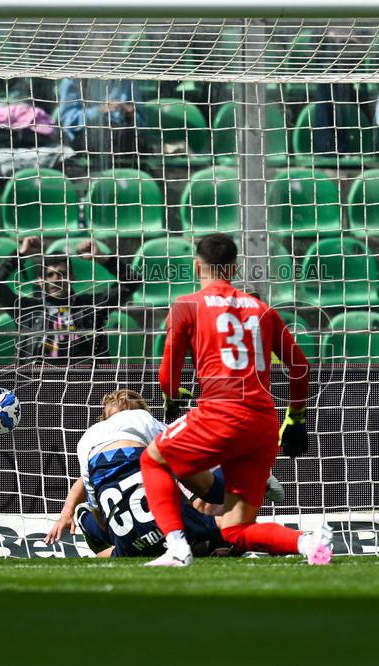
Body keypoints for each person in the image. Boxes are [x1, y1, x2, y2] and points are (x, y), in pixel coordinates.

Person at [137, 233, 331, 567]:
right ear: (235, 267)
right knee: (235, 529)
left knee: (153, 459)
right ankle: (309, 543)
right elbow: (300, 366)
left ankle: (177, 547)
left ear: (197, 265)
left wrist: (171, 398)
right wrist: (296, 418)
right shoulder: (262, 309)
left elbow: (168, 373)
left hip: (220, 414)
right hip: (262, 424)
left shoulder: (188, 304)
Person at [45, 388, 286, 558]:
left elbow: (91, 492)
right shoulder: (143, 423)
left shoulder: (90, 440)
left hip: (128, 524)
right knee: (209, 503)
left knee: (128, 544)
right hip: (160, 504)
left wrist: (73, 513)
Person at [0, 236, 141, 364]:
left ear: (72, 278)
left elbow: (132, 282)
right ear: (40, 281)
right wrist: (21, 255)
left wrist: (101, 259)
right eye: (50, 275)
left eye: (62, 274)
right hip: (37, 385)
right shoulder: (27, 309)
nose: (56, 280)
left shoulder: (92, 306)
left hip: (86, 385)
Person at [57, 78, 144, 169]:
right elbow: (68, 122)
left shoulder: (126, 80)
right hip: (86, 138)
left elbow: (141, 121)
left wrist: (129, 113)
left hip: (123, 138)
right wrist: (100, 110)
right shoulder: (73, 80)